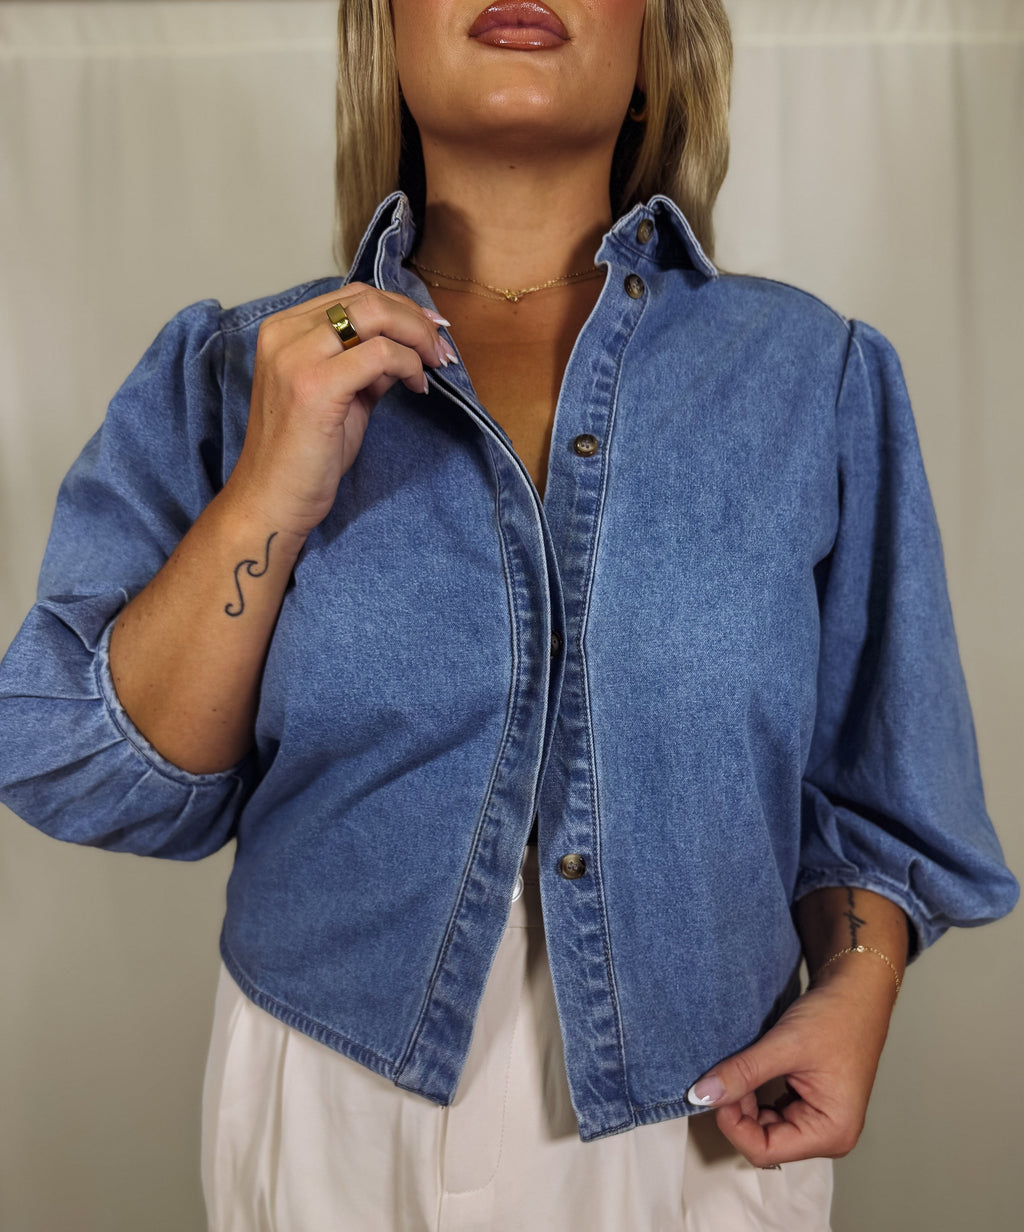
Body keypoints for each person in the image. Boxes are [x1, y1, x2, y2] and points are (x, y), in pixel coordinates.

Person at [0, 1, 1017, 1229]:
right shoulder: (239, 368)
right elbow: (85, 769)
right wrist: (271, 485)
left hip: (697, 1124)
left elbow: (875, 798)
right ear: (386, 34)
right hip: (331, 1111)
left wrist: (855, 988)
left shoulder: (815, 375)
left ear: (654, 43)